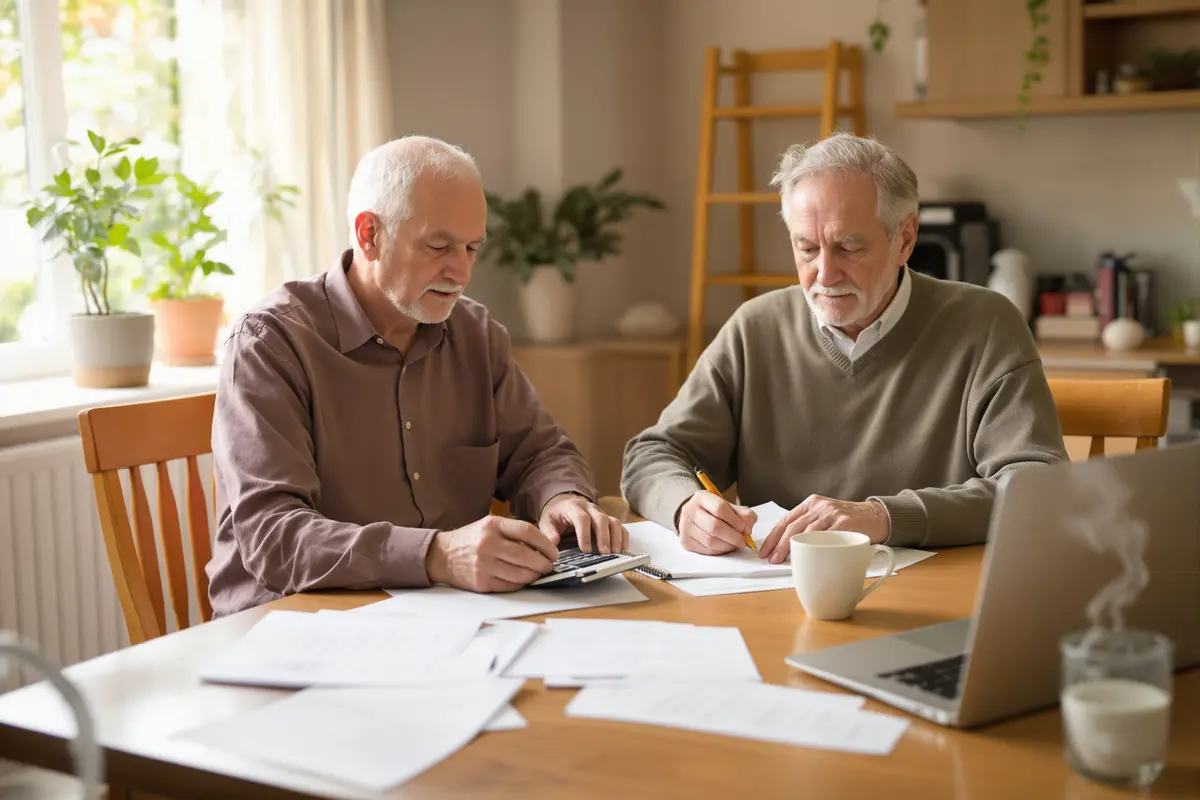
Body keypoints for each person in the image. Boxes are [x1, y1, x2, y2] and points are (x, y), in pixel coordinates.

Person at [207, 135, 626, 617]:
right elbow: (274, 537)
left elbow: (541, 453)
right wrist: (436, 555)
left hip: (442, 618)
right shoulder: (270, 343)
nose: (461, 272)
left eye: (472, 248)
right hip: (291, 625)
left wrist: (562, 498)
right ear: (369, 235)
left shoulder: (476, 335)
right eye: (438, 246)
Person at [621, 132, 1068, 564]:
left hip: (937, 596)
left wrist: (884, 517)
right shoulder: (755, 328)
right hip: (777, 597)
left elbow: (1040, 486)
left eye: (848, 248)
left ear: (905, 239)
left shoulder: (986, 325)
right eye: (807, 248)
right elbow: (650, 455)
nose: (825, 274)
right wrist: (686, 505)